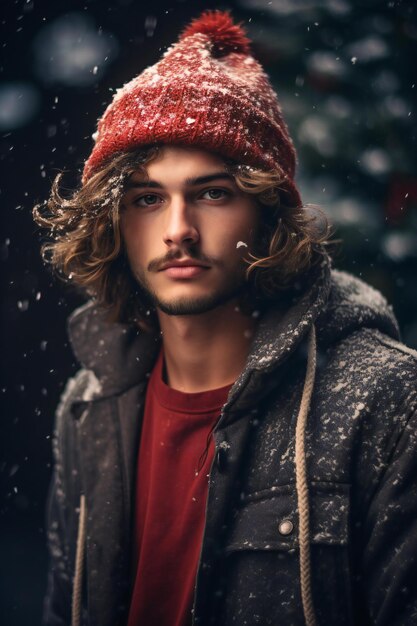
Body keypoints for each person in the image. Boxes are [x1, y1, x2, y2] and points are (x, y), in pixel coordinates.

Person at [34, 10, 417, 626]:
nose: (178, 230)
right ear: (114, 221)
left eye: (212, 193)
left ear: (267, 210)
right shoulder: (88, 407)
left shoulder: (385, 402)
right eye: (148, 198)